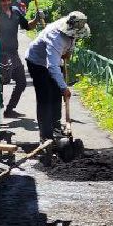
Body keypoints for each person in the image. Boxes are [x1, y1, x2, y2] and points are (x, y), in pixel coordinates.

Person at [24, 10, 92, 142]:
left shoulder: (73, 26)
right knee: (45, 97)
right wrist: (64, 87)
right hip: (37, 62)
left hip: (54, 60)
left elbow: (71, 42)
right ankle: (46, 135)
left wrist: (68, 53)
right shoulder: (55, 37)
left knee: (56, 94)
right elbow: (52, 66)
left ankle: (56, 126)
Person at [0, 0, 32, 118]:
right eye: (3, 0)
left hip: (13, 53)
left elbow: (28, 26)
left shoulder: (16, 11)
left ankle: (10, 109)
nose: (6, 2)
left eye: (8, 0)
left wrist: (36, 17)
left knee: (22, 82)